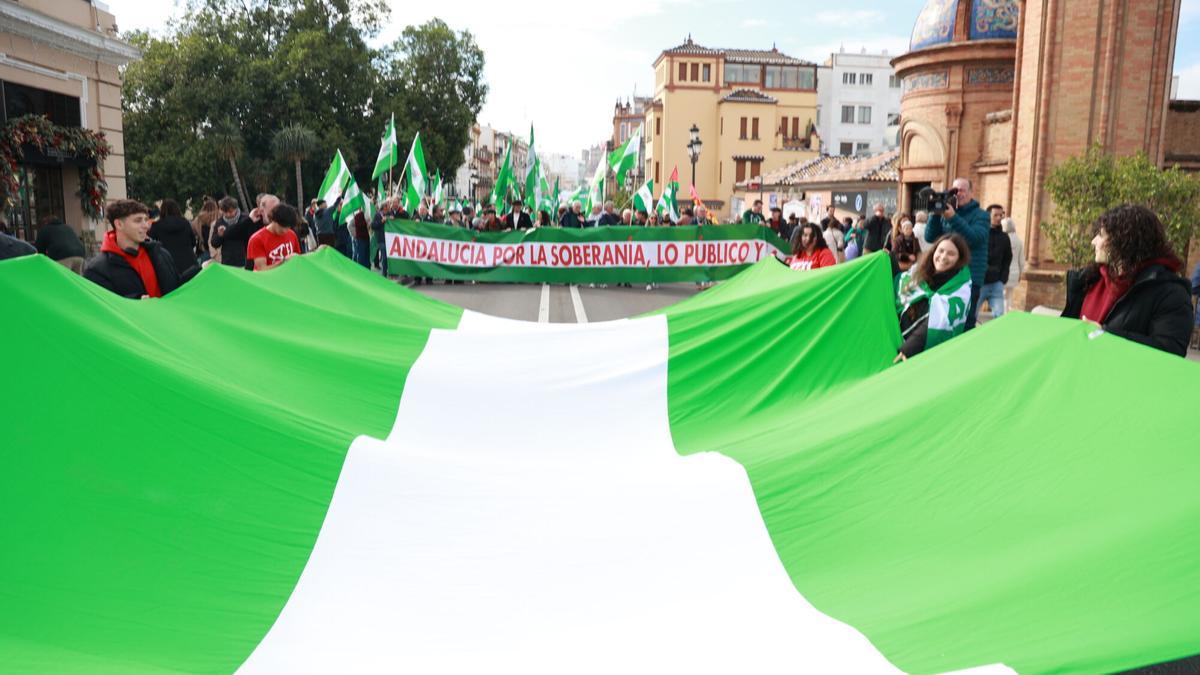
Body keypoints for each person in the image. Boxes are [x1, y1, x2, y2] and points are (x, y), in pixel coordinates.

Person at [1061, 204, 1194, 357]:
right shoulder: (1088, 279)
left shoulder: (1170, 294)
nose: (1093, 241)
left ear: (1124, 241)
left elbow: (1170, 352)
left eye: (1101, 235)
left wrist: (1106, 335)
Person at [85, 199, 193, 298]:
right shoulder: (97, 269)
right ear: (119, 224)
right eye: (138, 220)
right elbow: (103, 305)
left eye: (146, 220)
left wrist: (198, 271)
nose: (146, 225)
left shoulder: (161, 253)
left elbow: (176, 287)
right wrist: (136, 302)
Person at [923, 177, 990, 330]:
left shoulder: (982, 216)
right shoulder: (946, 213)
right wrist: (935, 214)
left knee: (965, 321)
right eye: (954, 191)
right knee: (943, 319)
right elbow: (930, 237)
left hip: (970, 277)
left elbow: (973, 238)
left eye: (962, 190)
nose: (958, 194)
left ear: (971, 193)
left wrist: (953, 217)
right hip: (946, 274)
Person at [895, 233, 973, 361]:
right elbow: (896, 288)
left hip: (921, 353)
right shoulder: (918, 271)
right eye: (940, 251)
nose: (943, 257)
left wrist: (910, 347)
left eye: (951, 254)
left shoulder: (960, 288)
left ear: (959, 259)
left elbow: (940, 320)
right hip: (896, 338)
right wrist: (888, 260)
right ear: (934, 251)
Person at [979, 204, 1014, 320]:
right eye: (995, 215)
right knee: (970, 316)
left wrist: (1003, 278)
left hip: (996, 284)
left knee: (999, 317)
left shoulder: (1004, 237)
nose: (999, 218)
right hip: (980, 283)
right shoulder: (981, 234)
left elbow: (1008, 258)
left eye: (1001, 215)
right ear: (988, 216)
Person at [246, 202, 302, 271]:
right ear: (274, 220)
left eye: (288, 227)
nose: (284, 231)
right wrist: (283, 261)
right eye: (282, 226)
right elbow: (262, 270)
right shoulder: (257, 239)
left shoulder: (292, 234)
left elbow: (298, 258)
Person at [148, 199, 197, 278]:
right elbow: (193, 242)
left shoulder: (156, 226)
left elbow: (150, 246)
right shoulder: (185, 223)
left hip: (168, 266)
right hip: (189, 263)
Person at [211, 196, 257, 269]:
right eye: (225, 212)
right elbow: (214, 243)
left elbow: (252, 237)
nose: (228, 215)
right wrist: (219, 235)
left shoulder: (245, 219)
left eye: (230, 212)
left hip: (245, 258)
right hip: (228, 261)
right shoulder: (220, 222)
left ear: (236, 208)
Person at [1003, 217, 1024, 310]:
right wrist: (1021, 273)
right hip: (1015, 272)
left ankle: (1002, 312)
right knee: (1010, 294)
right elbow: (1021, 260)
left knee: (1002, 294)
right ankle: (1008, 310)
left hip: (1004, 271)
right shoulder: (1019, 241)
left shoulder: (1004, 239)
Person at [192, 198, 220, 262]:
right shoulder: (218, 216)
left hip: (204, 250)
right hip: (217, 250)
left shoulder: (198, 219)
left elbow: (193, 233)